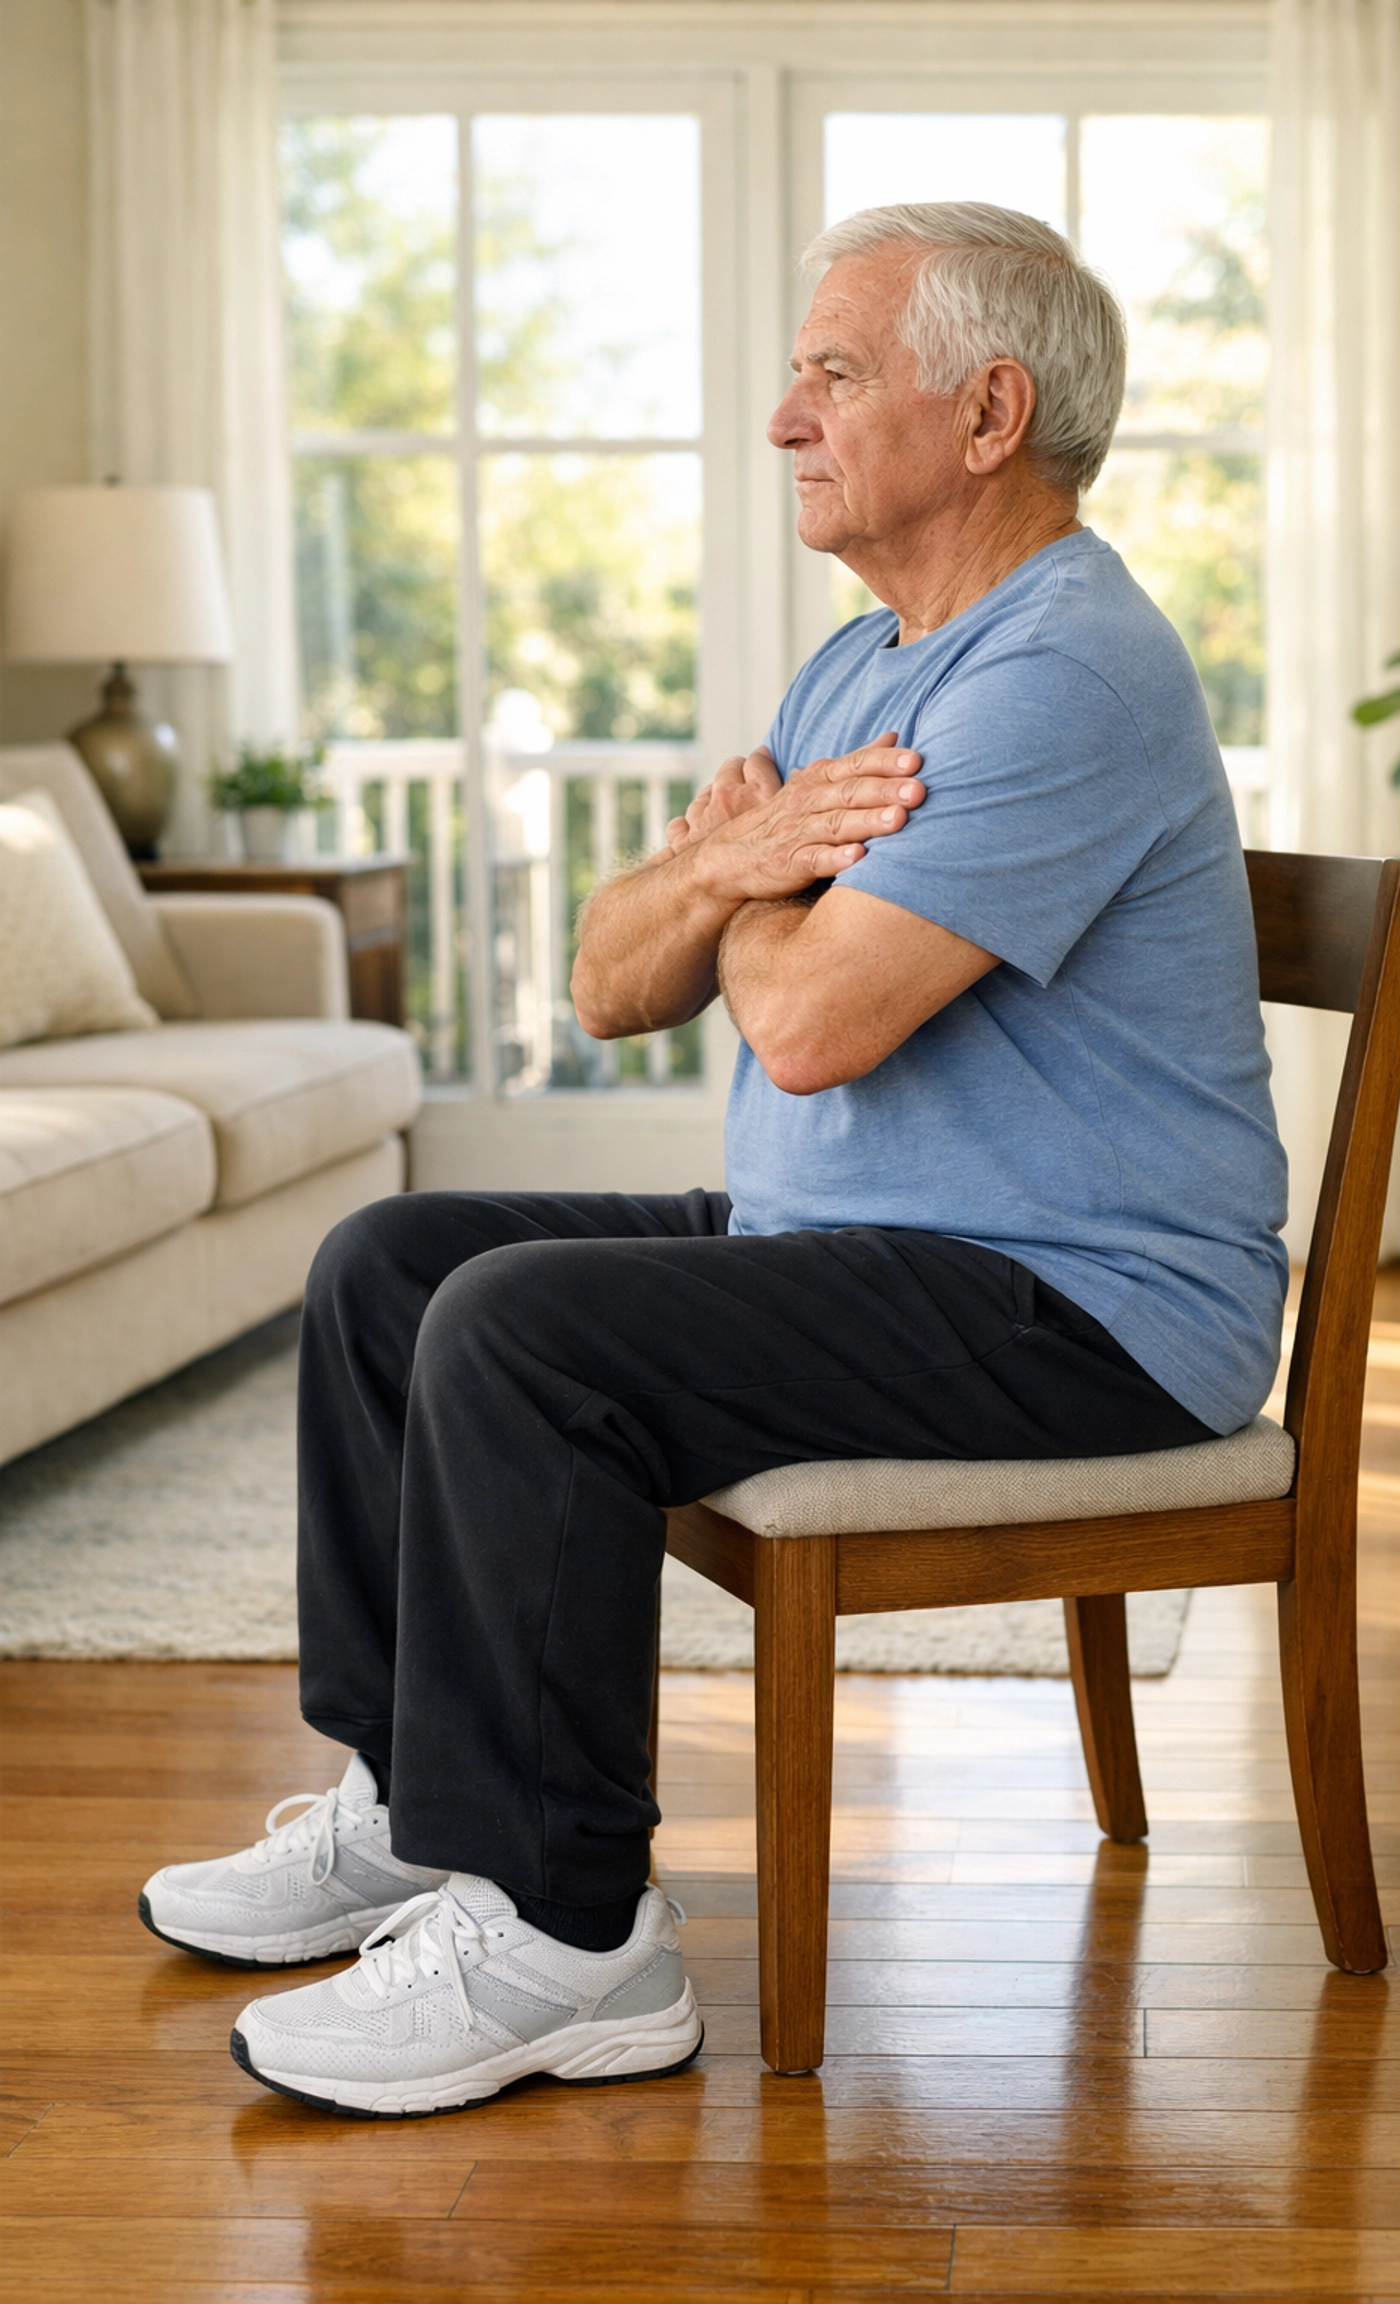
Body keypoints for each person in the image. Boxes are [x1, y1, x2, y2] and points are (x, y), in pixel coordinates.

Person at [140, 202, 1288, 2118]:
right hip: (870, 1240)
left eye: (833, 374)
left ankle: (573, 1937)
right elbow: (609, 982)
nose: (783, 419)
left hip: (1087, 1303)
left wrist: (733, 881)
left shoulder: (1065, 671)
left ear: (990, 410)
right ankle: (424, 1805)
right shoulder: (867, 666)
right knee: (393, 1263)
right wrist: (733, 870)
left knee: (526, 1333)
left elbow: (807, 1021)